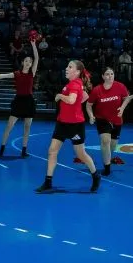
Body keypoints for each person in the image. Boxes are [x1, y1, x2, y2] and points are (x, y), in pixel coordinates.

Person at [36, 60, 101, 193]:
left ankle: (95, 175)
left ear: (77, 72)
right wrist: (76, 104)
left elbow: (71, 100)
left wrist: (60, 96)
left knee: (81, 154)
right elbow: (85, 96)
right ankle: (48, 182)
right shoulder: (74, 84)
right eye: (67, 66)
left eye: (70, 67)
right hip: (62, 123)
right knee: (52, 151)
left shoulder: (75, 84)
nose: (66, 68)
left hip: (75, 125)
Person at [0, 39, 39, 158]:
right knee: (9, 126)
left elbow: (37, 57)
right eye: (26, 61)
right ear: (23, 62)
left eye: (30, 61)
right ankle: (2, 149)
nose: (28, 63)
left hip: (29, 101)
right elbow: (1, 76)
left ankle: (24, 151)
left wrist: (33, 44)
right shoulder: (17, 74)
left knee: (27, 127)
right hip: (18, 101)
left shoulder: (32, 73)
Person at [86, 67, 130, 176]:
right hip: (102, 119)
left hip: (117, 120)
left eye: (111, 74)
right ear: (103, 76)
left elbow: (127, 98)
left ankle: (107, 160)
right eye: (107, 74)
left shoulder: (120, 86)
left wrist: (122, 108)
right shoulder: (97, 90)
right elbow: (89, 105)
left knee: (112, 146)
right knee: (105, 141)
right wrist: (91, 116)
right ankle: (107, 168)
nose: (110, 76)